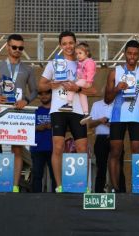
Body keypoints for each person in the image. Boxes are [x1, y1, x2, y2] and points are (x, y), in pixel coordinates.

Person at [39, 31, 95, 193]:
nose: (68, 46)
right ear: (60, 46)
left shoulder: (83, 62)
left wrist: (78, 88)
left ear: (76, 43)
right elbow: (40, 86)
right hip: (58, 110)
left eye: (71, 43)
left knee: (82, 147)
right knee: (58, 147)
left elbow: (94, 90)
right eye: (65, 44)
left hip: (77, 111)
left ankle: (82, 186)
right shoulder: (54, 63)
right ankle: (60, 186)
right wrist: (52, 84)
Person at [0, 34, 38, 193]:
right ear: (7, 47)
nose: (17, 50)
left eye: (21, 48)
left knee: (17, 149)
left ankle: (14, 187)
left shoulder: (28, 68)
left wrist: (26, 101)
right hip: (0, 111)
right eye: (14, 47)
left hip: (17, 111)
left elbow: (34, 90)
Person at [104, 40, 139, 192]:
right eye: (129, 53)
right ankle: (115, 188)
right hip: (118, 117)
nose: (132, 56)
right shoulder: (115, 72)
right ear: (124, 54)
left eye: (135, 54)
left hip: (137, 117)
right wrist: (117, 88)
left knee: (137, 152)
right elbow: (107, 99)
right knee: (115, 153)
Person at [89, 90, 126, 193]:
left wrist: (114, 126)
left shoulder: (120, 105)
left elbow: (125, 123)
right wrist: (100, 121)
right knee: (101, 167)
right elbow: (90, 124)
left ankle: (121, 192)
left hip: (116, 138)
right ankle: (99, 192)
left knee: (119, 165)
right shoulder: (96, 105)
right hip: (101, 138)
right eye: (107, 93)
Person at [59, 42, 96, 125]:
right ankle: (86, 113)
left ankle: (69, 104)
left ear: (87, 53)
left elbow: (91, 72)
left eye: (80, 53)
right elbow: (80, 73)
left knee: (72, 86)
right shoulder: (81, 62)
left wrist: (89, 82)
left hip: (86, 81)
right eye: (76, 54)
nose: (78, 55)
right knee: (82, 95)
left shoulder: (89, 62)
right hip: (83, 80)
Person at [30, 88, 56, 192]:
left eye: (47, 93)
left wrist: (53, 126)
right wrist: (38, 127)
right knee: (37, 176)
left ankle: (56, 199)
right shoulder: (35, 111)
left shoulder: (56, 112)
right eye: (41, 94)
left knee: (54, 176)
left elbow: (67, 127)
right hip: (37, 148)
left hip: (54, 149)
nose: (44, 96)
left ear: (52, 94)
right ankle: (35, 199)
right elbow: (24, 128)